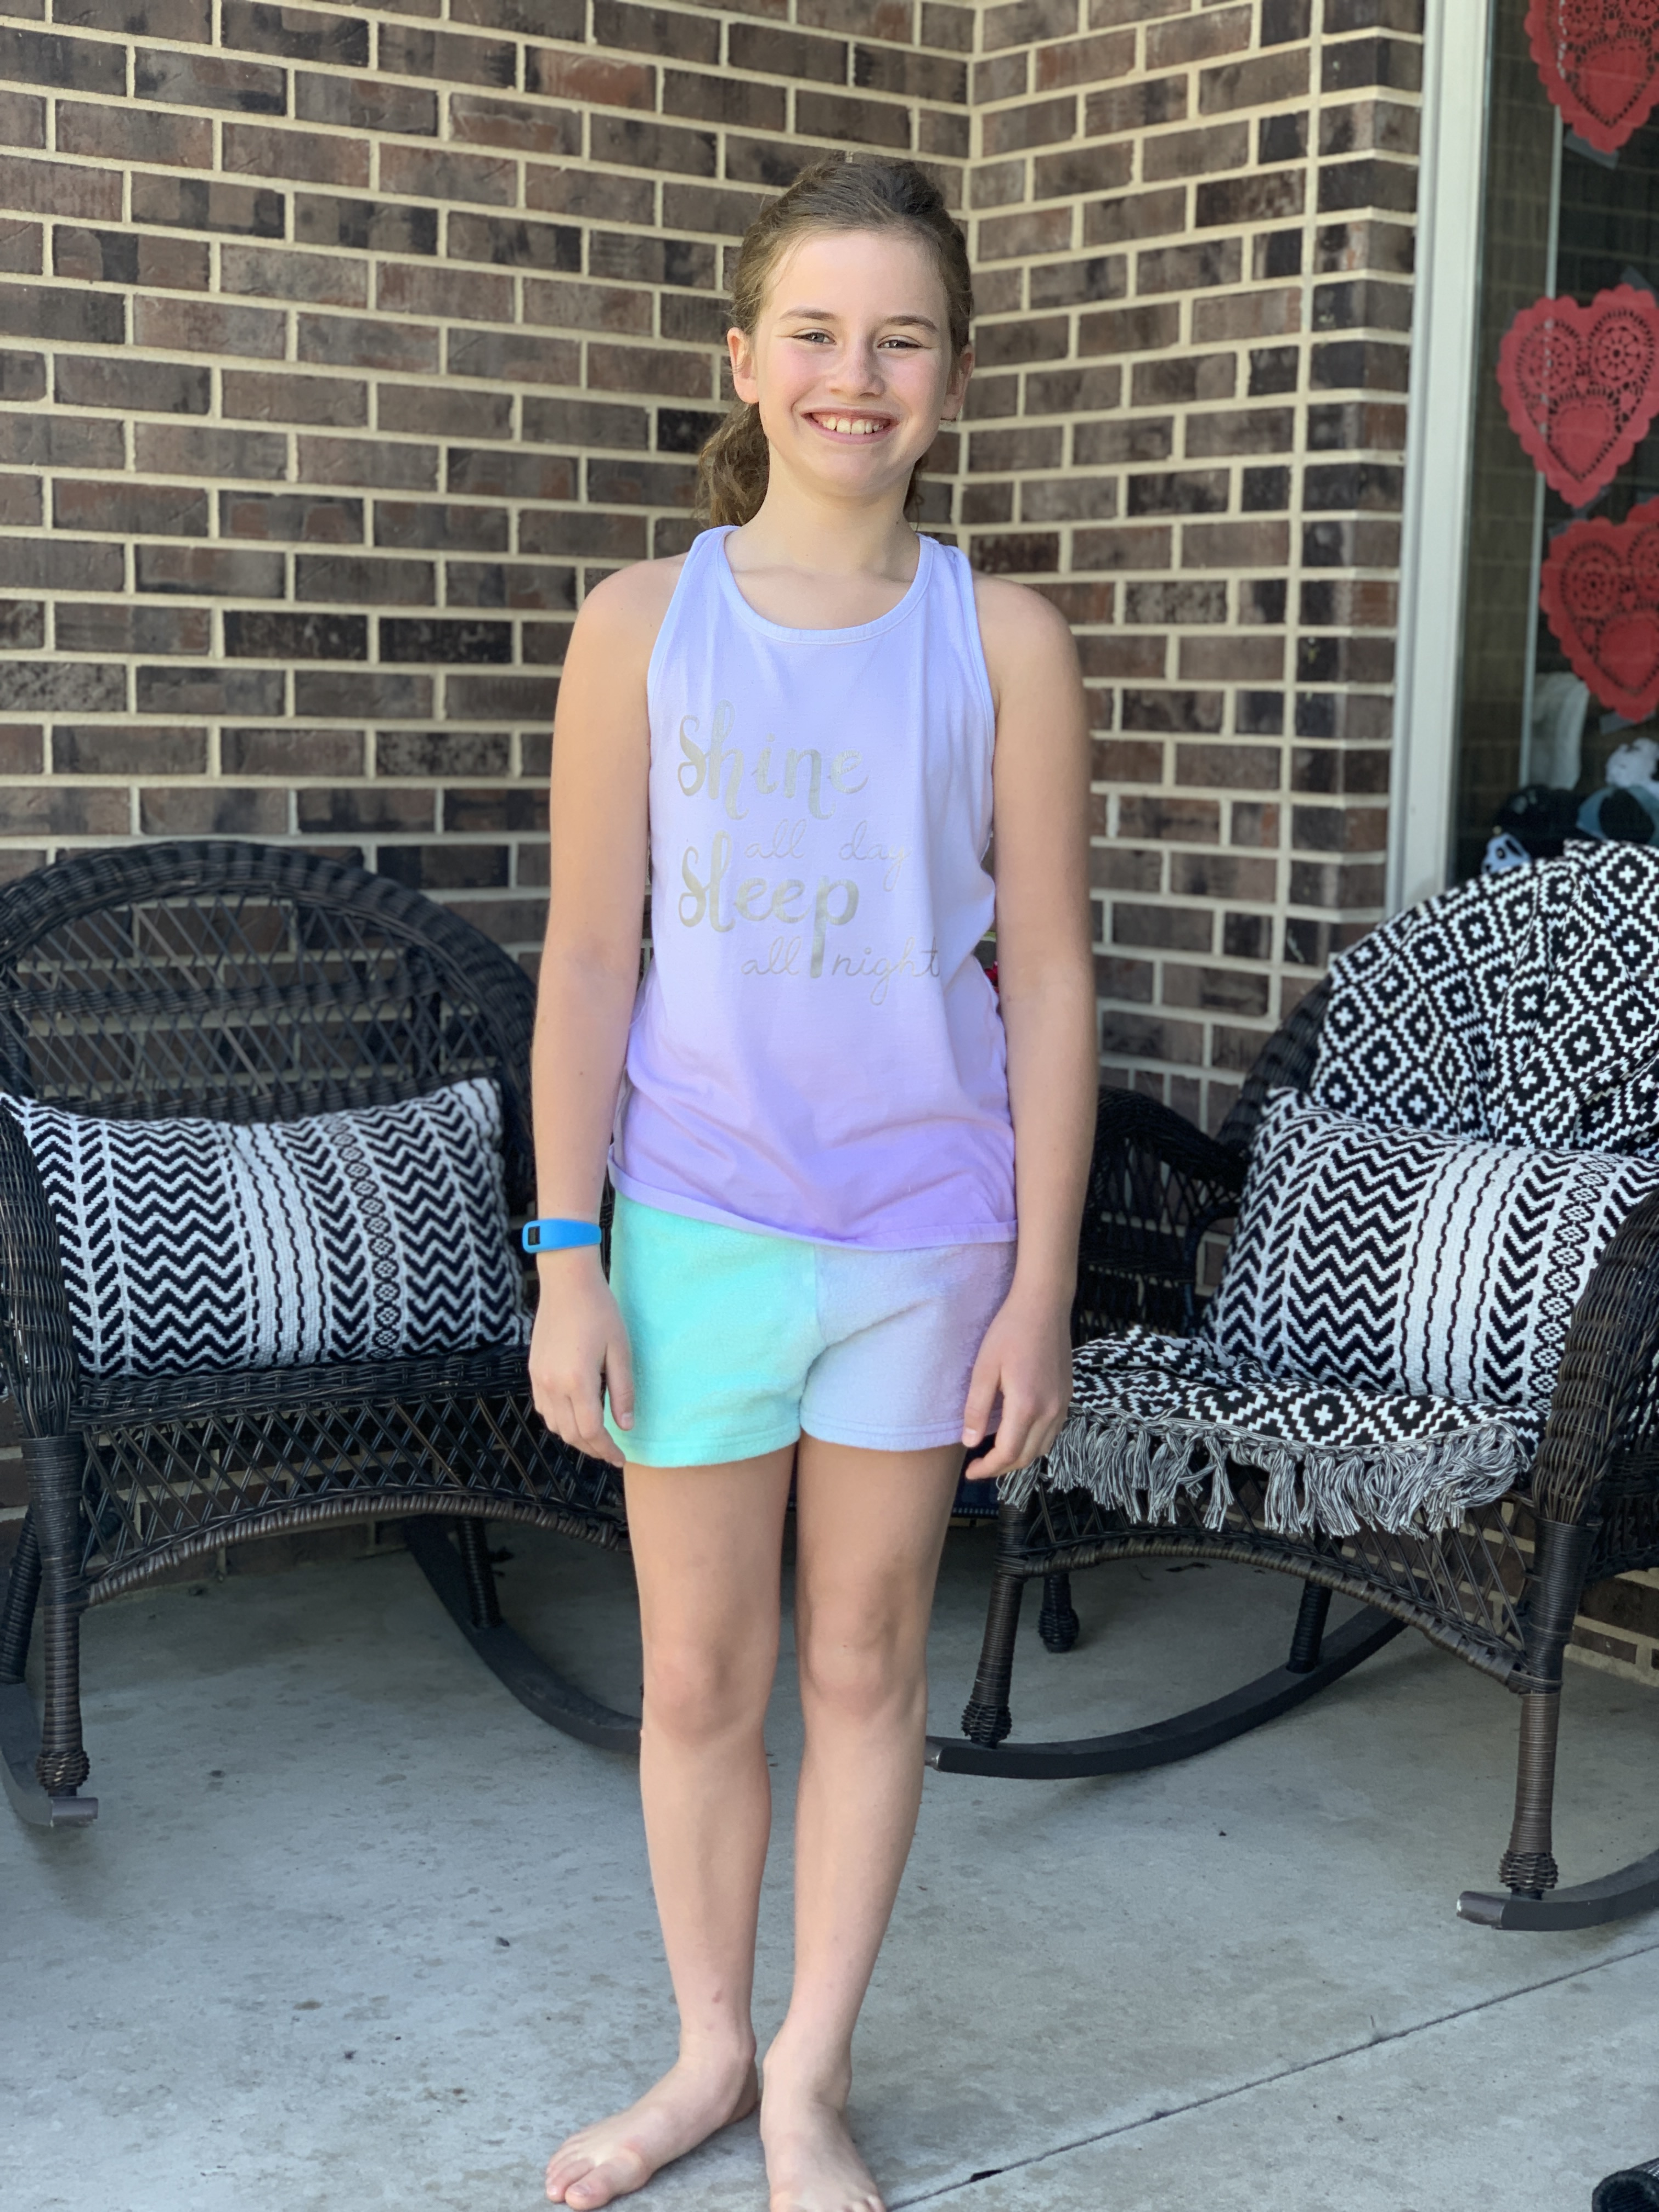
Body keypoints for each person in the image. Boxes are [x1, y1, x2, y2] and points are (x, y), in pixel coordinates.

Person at [528, 153, 1095, 2212]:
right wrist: (567, 1256)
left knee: (863, 1665)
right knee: (700, 1676)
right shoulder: (641, 626)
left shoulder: (1002, 637)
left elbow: (1050, 973)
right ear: (746, 359)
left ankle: (809, 2082)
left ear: (954, 376)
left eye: (903, 338)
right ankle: (706, 2051)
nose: (859, 374)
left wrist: (1039, 1290)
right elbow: (589, 961)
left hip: (925, 1247)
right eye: (819, 332)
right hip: (691, 1228)